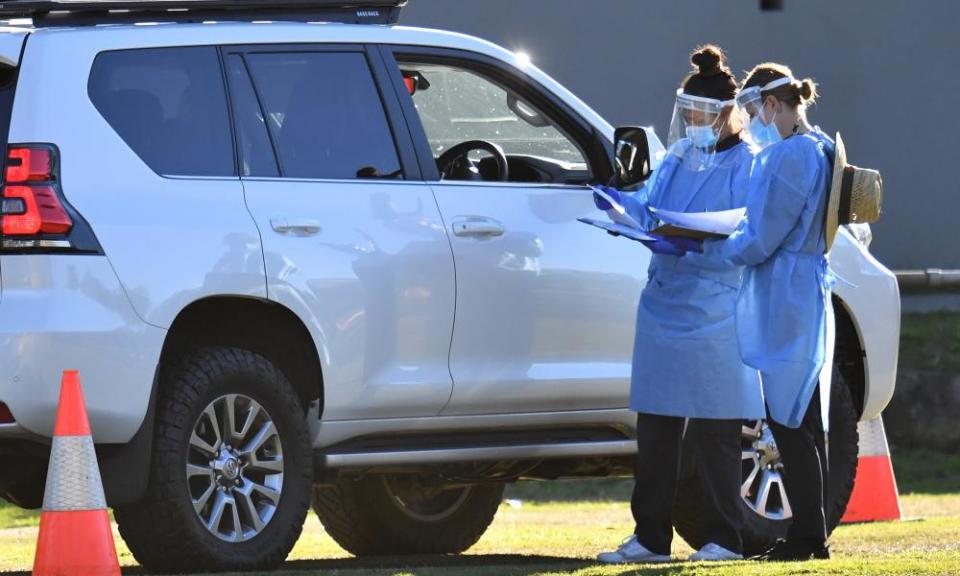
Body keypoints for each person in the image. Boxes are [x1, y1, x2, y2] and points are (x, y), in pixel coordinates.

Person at [595, 45, 765, 564]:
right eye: (687, 114)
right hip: (664, 302)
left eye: (702, 115)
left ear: (727, 115)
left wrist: (704, 248)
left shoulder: (750, 164)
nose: (693, 123)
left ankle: (724, 538)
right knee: (656, 429)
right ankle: (650, 538)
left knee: (716, 431)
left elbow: (748, 233)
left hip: (715, 305)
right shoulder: (675, 158)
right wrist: (622, 208)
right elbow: (650, 207)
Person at [700, 62, 836, 561]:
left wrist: (713, 244)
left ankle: (805, 539)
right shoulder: (818, 146)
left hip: (787, 293)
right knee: (802, 418)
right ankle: (810, 535)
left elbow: (762, 237)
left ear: (772, 105)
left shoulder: (790, 156)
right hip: (803, 289)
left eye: (754, 111)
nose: (752, 121)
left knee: (788, 418)